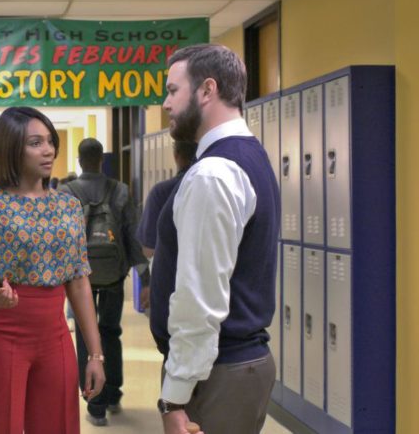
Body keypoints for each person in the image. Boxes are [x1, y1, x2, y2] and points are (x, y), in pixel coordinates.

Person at [152, 44, 279, 434]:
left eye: (173, 90)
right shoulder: (248, 156)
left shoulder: (213, 174)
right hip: (233, 365)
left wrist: (173, 398)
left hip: (217, 373)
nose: (166, 103)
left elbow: (200, 299)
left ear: (207, 90)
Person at [0, 106, 106, 434]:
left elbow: (79, 282)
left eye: (50, 141)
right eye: (35, 142)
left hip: (54, 337)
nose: (48, 149)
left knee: (58, 425)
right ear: (10, 148)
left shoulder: (67, 206)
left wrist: (95, 354)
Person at [59, 138, 148, 427]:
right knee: (111, 332)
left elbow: (60, 240)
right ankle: (112, 393)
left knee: (86, 334)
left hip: (79, 276)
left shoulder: (65, 192)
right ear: (101, 160)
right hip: (112, 275)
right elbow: (133, 238)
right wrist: (144, 278)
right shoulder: (120, 191)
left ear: (79, 160)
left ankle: (94, 404)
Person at [136, 139, 197, 310]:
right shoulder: (215, 187)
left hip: (170, 283)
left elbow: (147, 249)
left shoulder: (161, 192)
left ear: (176, 156)